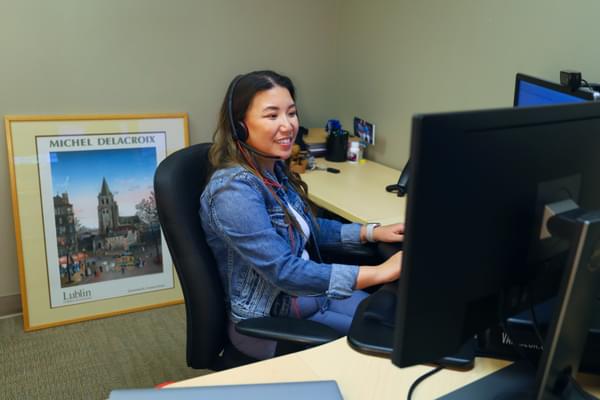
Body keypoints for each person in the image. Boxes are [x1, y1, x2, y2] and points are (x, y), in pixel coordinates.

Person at [199, 70, 403, 360]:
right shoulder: (233, 192)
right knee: (390, 351)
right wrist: (380, 272)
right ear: (240, 126)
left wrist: (370, 232)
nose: (288, 125)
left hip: (312, 298)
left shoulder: (270, 169)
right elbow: (286, 272)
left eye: (291, 113)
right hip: (271, 320)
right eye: (272, 116)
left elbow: (303, 227)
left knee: (398, 328)